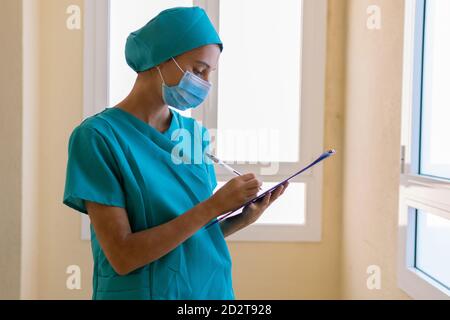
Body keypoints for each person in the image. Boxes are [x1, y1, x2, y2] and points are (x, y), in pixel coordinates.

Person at [63, 6, 288, 300]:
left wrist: (240, 219)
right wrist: (215, 205)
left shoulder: (193, 135)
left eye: (210, 73)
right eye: (197, 70)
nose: (205, 82)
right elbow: (123, 255)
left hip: (209, 292)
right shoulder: (97, 138)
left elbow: (189, 237)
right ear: (160, 58)